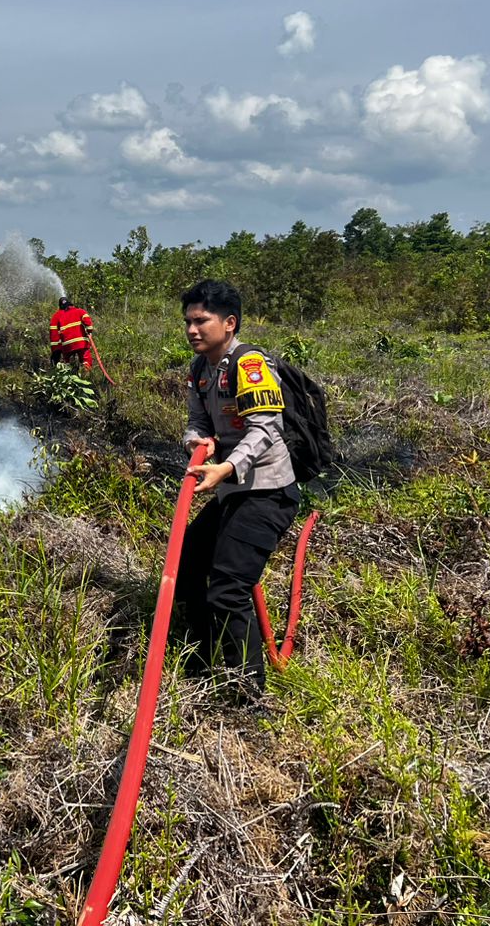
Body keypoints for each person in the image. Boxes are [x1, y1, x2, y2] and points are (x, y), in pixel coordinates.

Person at [177, 279, 298, 696]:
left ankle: (247, 697)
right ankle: (198, 667)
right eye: (188, 321)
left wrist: (225, 466)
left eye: (201, 321)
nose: (192, 330)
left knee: (228, 590)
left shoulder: (249, 365)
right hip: (231, 491)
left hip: (266, 492)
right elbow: (197, 421)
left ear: (229, 323)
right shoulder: (200, 368)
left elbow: (266, 428)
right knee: (188, 568)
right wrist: (197, 440)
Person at [49, 296, 94, 368]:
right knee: (86, 359)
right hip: (81, 343)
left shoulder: (60, 317)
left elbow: (57, 333)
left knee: (67, 363)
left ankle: (68, 374)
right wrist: (89, 331)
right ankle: (86, 374)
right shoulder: (80, 311)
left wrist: (57, 348)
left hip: (67, 345)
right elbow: (87, 321)